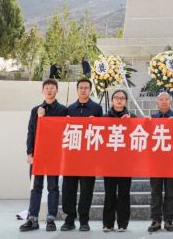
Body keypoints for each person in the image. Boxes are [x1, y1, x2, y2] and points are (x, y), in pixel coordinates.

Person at [20, 79, 68, 232]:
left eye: (52, 88)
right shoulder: (36, 110)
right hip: (37, 155)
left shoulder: (62, 110)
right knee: (36, 187)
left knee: (53, 187)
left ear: (57, 90)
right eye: (46, 88)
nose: (49, 90)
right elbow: (31, 132)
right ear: (42, 91)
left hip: (54, 154)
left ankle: (51, 219)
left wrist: (44, 119)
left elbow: (61, 131)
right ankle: (32, 218)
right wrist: (29, 152)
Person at [61, 78, 103, 232]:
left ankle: (84, 220)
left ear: (90, 90)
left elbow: (102, 131)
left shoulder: (97, 109)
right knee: (68, 190)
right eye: (81, 87)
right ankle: (69, 220)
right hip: (71, 156)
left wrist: (96, 122)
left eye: (86, 88)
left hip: (88, 157)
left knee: (86, 190)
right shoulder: (70, 109)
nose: (83, 90)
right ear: (77, 90)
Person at [148, 92, 173, 233]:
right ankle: (155, 220)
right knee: (155, 192)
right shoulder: (151, 118)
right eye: (160, 99)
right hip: (155, 161)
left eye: (166, 99)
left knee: (169, 192)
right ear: (156, 103)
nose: (163, 101)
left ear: (170, 101)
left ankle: (169, 220)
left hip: (171, 161)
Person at [102, 89, 135, 232]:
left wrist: (130, 123)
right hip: (108, 162)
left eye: (122, 98)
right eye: (116, 97)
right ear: (112, 100)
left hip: (126, 163)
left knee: (124, 194)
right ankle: (108, 224)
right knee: (109, 194)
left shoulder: (133, 117)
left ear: (126, 101)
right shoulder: (104, 117)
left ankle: (122, 224)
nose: (119, 100)